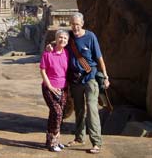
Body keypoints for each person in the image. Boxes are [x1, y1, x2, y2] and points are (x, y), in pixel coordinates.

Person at [47, 12, 110, 154]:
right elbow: (58, 42)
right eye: (73, 24)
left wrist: (105, 76)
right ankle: (79, 137)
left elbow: (99, 58)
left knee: (92, 109)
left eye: (77, 24)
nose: (75, 27)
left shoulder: (90, 36)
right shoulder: (69, 36)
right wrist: (49, 46)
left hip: (90, 78)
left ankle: (96, 142)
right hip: (75, 80)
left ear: (82, 24)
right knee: (79, 109)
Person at [40, 29, 70, 152]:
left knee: (56, 114)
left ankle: (51, 141)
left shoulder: (67, 53)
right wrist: (50, 87)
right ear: (56, 39)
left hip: (63, 87)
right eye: (60, 37)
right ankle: (53, 143)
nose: (62, 40)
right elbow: (42, 71)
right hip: (49, 88)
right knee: (57, 113)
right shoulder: (47, 54)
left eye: (65, 38)